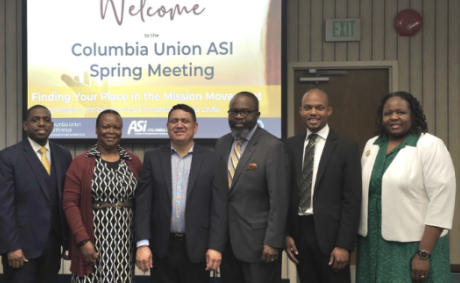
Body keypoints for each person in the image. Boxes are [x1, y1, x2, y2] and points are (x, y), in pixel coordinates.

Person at [356, 91, 456, 283]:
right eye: (388, 113)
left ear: (413, 115)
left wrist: (423, 254)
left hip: (414, 246)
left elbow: (441, 202)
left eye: (401, 112)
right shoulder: (372, 145)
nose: (394, 117)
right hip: (372, 244)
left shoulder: (430, 145)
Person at [134, 104, 228, 283]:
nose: (179, 125)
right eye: (174, 121)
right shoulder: (153, 158)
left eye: (185, 121)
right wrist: (142, 243)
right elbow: (143, 205)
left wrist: (216, 246)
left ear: (195, 127)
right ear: (167, 127)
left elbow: (219, 208)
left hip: (198, 250)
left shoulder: (213, 160)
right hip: (161, 249)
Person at [284, 89, 362, 283]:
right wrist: (286, 233)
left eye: (319, 108)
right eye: (308, 107)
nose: (313, 112)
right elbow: (285, 193)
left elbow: (352, 199)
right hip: (300, 233)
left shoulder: (346, 147)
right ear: (301, 111)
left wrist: (344, 245)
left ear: (329, 111)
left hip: (332, 237)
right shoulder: (289, 146)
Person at [214, 91, 290, 283]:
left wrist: (273, 242)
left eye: (245, 112)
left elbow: (279, 200)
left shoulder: (273, 146)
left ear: (257, 115)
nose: (239, 116)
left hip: (259, 245)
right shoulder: (222, 143)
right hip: (227, 243)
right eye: (234, 112)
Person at [0, 105, 73, 283]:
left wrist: (69, 242)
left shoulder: (64, 155)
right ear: (25, 125)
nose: (41, 124)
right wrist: (11, 246)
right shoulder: (7, 157)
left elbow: (66, 199)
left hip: (53, 246)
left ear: (52, 125)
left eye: (46, 119)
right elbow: (2, 206)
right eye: (35, 120)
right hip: (21, 248)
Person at [63, 109, 143, 282]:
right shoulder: (81, 162)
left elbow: (143, 202)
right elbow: (70, 203)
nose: (111, 131)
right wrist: (83, 241)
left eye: (116, 127)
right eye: (106, 127)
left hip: (125, 239)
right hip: (92, 237)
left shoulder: (133, 161)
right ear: (96, 129)